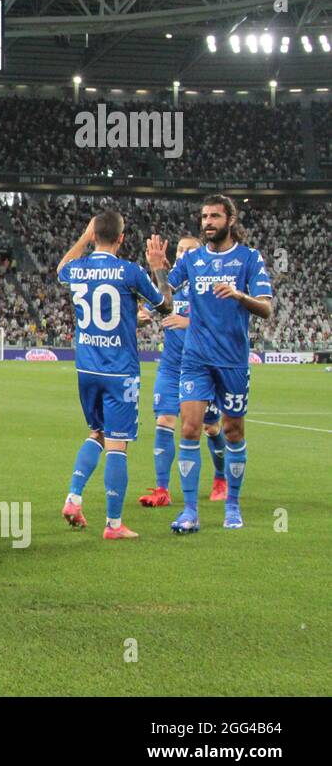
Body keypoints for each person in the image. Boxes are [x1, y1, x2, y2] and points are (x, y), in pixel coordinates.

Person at [146, 195, 273, 533]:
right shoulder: (193, 259)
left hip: (232, 360)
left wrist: (240, 296)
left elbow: (266, 308)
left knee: (232, 430)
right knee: (189, 428)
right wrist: (158, 269)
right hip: (196, 359)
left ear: (230, 219)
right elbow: (165, 301)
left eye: (215, 216)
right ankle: (190, 511)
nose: (208, 222)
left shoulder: (249, 259)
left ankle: (232, 506)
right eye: (204, 217)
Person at [56, 209, 170, 539]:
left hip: (86, 367)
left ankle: (74, 499)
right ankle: (114, 525)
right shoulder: (130, 271)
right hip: (119, 371)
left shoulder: (76, 269)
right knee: (117, 445)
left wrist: (84, 237)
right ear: (121, 238)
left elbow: (61, 269)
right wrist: (159, 270)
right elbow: (165, 306)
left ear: (94, 235)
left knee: (97, 433)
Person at [136, 235, 227, 508]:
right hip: (172, 367)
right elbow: (149, 312)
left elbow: (222, 325)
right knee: (164, 420)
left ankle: (221, 478)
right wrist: (139, 319)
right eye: (181, 250)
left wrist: (187, 322)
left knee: (210, 427)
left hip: (202, 368)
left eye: (190, 250)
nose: (185, 254)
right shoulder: (168, 291)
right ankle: (162, 489)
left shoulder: (209, 286)